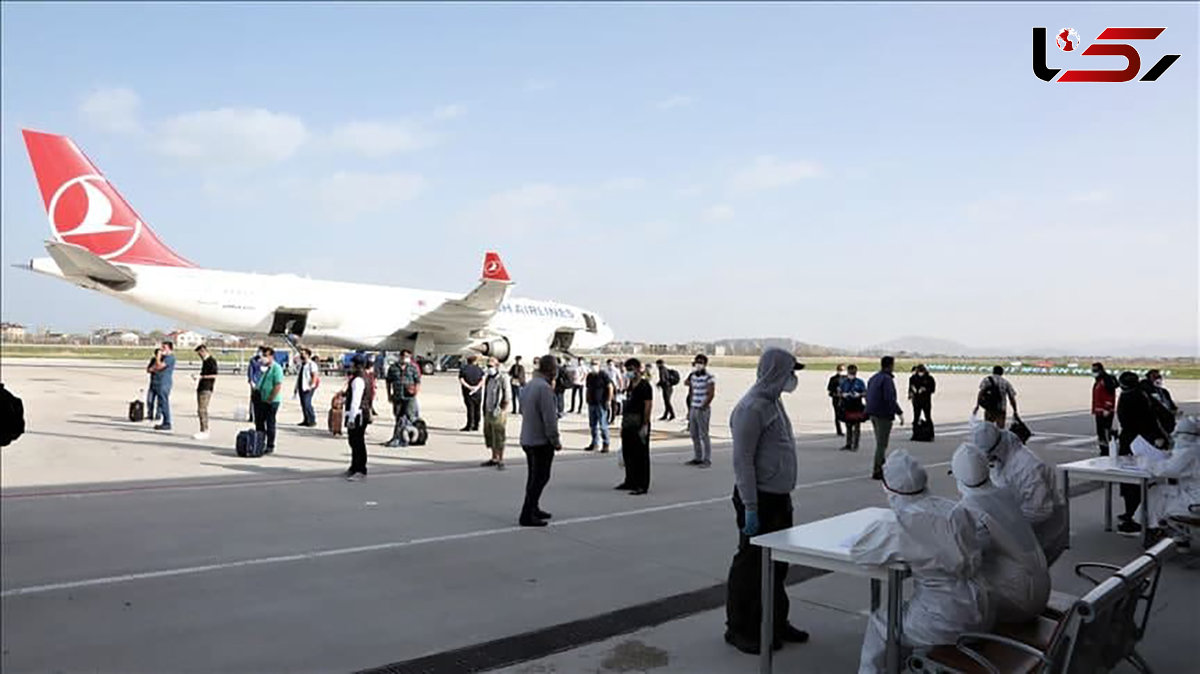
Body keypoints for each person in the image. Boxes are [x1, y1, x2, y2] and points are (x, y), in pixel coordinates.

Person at [850, 449, 991, 674]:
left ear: (888, 489)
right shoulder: (955, 509)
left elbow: (861, 553)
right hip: (981, 608)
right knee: (905, 616)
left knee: (881, 623)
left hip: (944, 619)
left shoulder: (903, 524)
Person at [724, 348, 808, 655]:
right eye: (790, 371)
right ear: (775, 372)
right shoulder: (752, 408)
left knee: (777, 565)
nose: (793, 378)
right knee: (750, 566)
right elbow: (742, 461)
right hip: (759, 500)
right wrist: (750, 507)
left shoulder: (774, 403)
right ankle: (739, 628)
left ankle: (774, 621)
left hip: (779, 499)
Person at [951, 444, 1050, 623]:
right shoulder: (1005, 493)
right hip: (1040, 586)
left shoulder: (970, 509)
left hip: (1018, 599)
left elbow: (965, 558)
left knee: (951, 593)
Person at [972, 419, 1068, 562]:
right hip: (1022, 525)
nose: (988, 460)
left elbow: (1040, 511)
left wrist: (1005, 524)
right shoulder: (1001, 460)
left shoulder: (1027, 467)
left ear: (997, 448)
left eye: (989, 455)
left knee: (1031, 571)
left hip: (1045, 528)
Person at [1115, 371, 1171, 535]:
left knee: (1130, 480)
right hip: (1151, 440)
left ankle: (1134, 516)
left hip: (1134, 442)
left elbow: (1125, 421)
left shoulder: (1128, 397)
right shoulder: (1145, 393)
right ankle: (1137, 514)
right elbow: (1165, 414)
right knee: (1144, 481)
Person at [518, 355, 562, 526]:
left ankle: (533, 507)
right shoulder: (544, 388)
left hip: (528, 437)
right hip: (540, 440)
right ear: (551, 370)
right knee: (540, 478)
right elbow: (550, 418)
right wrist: (555, 440)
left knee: (533, 477)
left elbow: (522, 409)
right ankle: (527, 513)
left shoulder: (530, 385)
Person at [1140, 416, 1200, 537]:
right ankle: (1169, 531)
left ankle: (1151, 529)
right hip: (1193, 495)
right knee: (1160, 491)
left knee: (1156, 494)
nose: (1174, 436)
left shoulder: (1188, 452)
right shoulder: (1194, 449)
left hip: (1194, 503)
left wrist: (1146, 463)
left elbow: (1166, 470)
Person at [617, 359, 654, 495]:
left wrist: (645, 424)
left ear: (639, 369)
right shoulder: (630, 386)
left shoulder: (645, 386)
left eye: (631, 369)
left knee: (641, 455)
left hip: (639, 422)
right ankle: (630, 480)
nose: (630, 372)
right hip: (628, 422)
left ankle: (642, 484)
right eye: (628, 369)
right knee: (628, 453)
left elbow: (648, 405)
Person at [866, 356, 904, 480]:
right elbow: (889, 398)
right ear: (890, 365)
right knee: (882, 445)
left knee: (879, 443)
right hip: (883, 414)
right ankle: (877, 470)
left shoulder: (874, 378)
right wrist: (899, 412)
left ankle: (881, 467)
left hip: (873, 413)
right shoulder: (887, 380)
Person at [385, 350, 421, 448]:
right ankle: (398, 437)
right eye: (404, 356)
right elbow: (388, 382)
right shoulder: (393, 368)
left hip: (409, 397)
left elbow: (417, 381)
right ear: (400, 356)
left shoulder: (412, 368)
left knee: (410, 417)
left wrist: (415, 392)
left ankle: (408, 437)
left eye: (408, 356)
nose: (406, 358)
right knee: (398, 417)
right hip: (397, 396)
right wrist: (389, 394)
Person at [685, 354, 716, 467]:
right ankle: (698, 457)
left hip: (702, 409)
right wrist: (690, 409)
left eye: (701, 362)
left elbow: (711, 393)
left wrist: (704, 405)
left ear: (705, 364)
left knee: (704, 434)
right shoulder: (693, 376)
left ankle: (707, 459)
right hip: (694, 407)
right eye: (697, 362)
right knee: (694, 433)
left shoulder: (709, 377)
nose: (698, 364)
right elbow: (691, 391)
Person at [251, 347, 283, 453]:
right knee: (259, 422)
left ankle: (270, 445)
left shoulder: (276, 368)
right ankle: (259, 442)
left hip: (271, 401)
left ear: (271, 356)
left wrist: (270, 398)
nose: (263, 358)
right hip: (261, 399)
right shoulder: (264, 368)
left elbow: (278, 385)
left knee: (270, 422)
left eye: (266, 355)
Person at [343, 356, 370, 481]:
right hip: (360, 412)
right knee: (354, 442)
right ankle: (354, 466)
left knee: (357, 442)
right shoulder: (364, 376)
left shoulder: (358, 380)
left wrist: (351, 419)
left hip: (358, 413)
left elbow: (356, 400)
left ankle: (360, 469)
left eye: (352, 364)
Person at [481, 357, 510, 469]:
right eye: (488, 366)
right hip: (488, 409)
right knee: (490, 434)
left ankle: (501, 459)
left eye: (491, 366)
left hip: (498, 411)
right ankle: (494, 457)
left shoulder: (502, 378)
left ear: (497, 366)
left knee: (499, 435)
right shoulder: (489, 378)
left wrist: (502, 409)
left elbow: (507, 396)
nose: (489, 368)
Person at [584, 360, 613, 453]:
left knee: (603, 424)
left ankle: (606, 443)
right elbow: (588, 388)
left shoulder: (603, 375)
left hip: (601, 403)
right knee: (592, 425)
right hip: (592, 403)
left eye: (595, 364)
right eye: (592, 364)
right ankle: (594, 443)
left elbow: (610, 387)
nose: (593, 366)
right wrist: (587, 399)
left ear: (599, 365)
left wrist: (608, 400)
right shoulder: (589, 376)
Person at [1142, 369, 1179, 437]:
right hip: (1155, 422)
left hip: (1168, 420)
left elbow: (1170, 404)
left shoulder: (1164, 391)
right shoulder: (1145, 391)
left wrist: (1174, 410)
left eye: (1159, 376)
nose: (1158, 379)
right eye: (1154, 377)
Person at [192, 344, 218, 440]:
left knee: (202, 409)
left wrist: (201, 377)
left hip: (206, 388)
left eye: (200, 353)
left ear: (203, 351)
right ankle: (203, 428)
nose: (199, 355)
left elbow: (214, 375)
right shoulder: (205, 362)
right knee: (200, 409)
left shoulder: (211, 361)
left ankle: (204, 430)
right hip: (201, 387)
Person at [840, 365, 867, 451]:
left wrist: (859, 394)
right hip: (847, 404)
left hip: (857, 405)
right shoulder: (844, 382)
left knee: (856, 426)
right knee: (848, 426)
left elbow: (865, 392)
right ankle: (848, 444)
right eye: (850, 373)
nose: (851, 374)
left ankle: (855, 445)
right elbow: (839, 392)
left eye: (853, 373)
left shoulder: (860, 382)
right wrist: (843, 394)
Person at [1091, 362, 1118, 451]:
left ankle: (1108, 448)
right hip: (1099, 410)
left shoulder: (1105, 380)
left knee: (1105, 430)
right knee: (1101, 432)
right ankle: (1104, 447)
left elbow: (1110, 395)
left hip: (1105, 411)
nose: (1093, 372)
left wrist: (1107, 408)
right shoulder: (1099, 380)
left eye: (1095, 370)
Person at [151, 341, 177, 432]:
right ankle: (164, 421)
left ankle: (167, 422)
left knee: (164, 402)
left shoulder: (170, 358)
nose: (162, 350)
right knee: (161, 403)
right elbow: (152, 368)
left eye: (164, 348)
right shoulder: (164, 358)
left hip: (164, 383)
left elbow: (159, 366)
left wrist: (158, 357)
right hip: (158, 382)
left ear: (170, 349)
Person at [458, 355, 485, 432]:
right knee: (477, 408)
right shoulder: (479, 369)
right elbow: (483, 379)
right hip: (477, 392)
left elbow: (462, 380)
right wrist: (477, 387)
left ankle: (469, 425)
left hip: (468, 392)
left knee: (470, 408)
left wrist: (469, 387)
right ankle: (476, 425)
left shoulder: (464, 369)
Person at [295, 348, 319, 428]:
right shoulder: (302, 364)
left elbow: (314, 375)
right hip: (301, 386)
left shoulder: (311, 364)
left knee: (307, 403)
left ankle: (312, 420)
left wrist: (312, 385)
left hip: (308, 387)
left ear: (308, 355)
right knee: (303, 404)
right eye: (301, 353)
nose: (301, 355)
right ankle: (306, 419)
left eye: (303, 353)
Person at [245, 347, 265, 423]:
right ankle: (252, 415)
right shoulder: (253, 360)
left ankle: (261, 416)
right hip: (255, 382)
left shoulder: (264, 361)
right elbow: (250, 371)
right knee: (254, 399)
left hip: (263, 382)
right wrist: (251, 381)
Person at [827, 364, 846, 437]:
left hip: (845, 399)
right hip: (836, 399)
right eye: (840, 370)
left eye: (843, 370)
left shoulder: (846, 378)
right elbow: (830, 390)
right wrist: (835, 394)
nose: (841, 371)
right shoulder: (833, 379)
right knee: (837, 415)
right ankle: (839, 430)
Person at [146, 348, 163, 423]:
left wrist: (155, 368)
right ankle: (150, 414)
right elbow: (149, 370)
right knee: (149, 400)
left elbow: (161, 368)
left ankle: (158, 415)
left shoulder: (165, 360)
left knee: (159, 401)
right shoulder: (153, 360)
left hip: (161, 383)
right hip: (152, 382)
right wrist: (154, 368)